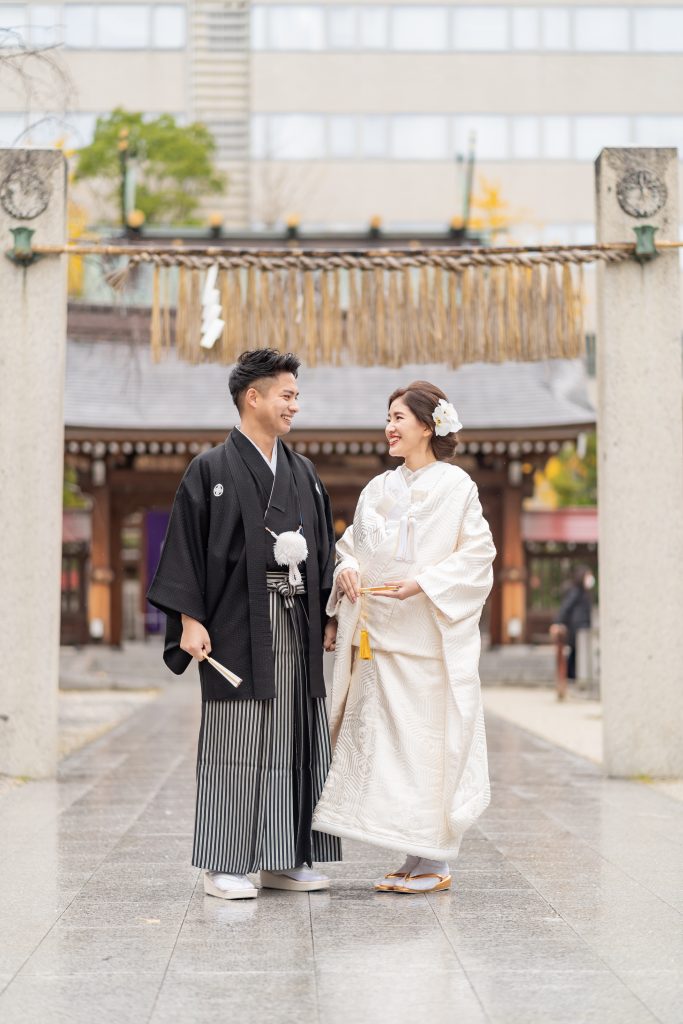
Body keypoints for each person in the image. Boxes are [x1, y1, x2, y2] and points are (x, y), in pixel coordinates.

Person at [147, 349, 341, 900]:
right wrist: (189, 619)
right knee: (237, 738)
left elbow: (322, 547)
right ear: (251, 396)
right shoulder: (210, 469)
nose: (294, 406)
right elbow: (184, 548)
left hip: (296, 623)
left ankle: (285, 856)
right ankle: (225, 862)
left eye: (297, 396)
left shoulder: (302, 472)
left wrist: (326, 613)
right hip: (235, 625)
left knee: (295, 738)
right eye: (286, 394)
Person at [313, 381, 496, 894]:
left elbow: (478, 556)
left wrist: (427, 583)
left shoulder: (456, 487)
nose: (389, 427)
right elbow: (349, 546)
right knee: (391, 755)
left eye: (399, 417)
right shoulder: (378, 489)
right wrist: (345, 570)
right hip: (377, 639)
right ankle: (414, 856)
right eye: (387, 417)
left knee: (425, 750)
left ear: (427, 426)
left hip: (425, 642)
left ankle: (435, 861)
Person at [551, 566, 595, 680]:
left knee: (575, 652)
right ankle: (570, 674)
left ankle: (571, 674)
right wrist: (558, 622)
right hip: (577, 627)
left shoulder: (583, 592)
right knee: (575, 652)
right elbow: (566, 607)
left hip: (581, 626)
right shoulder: (576, 591)